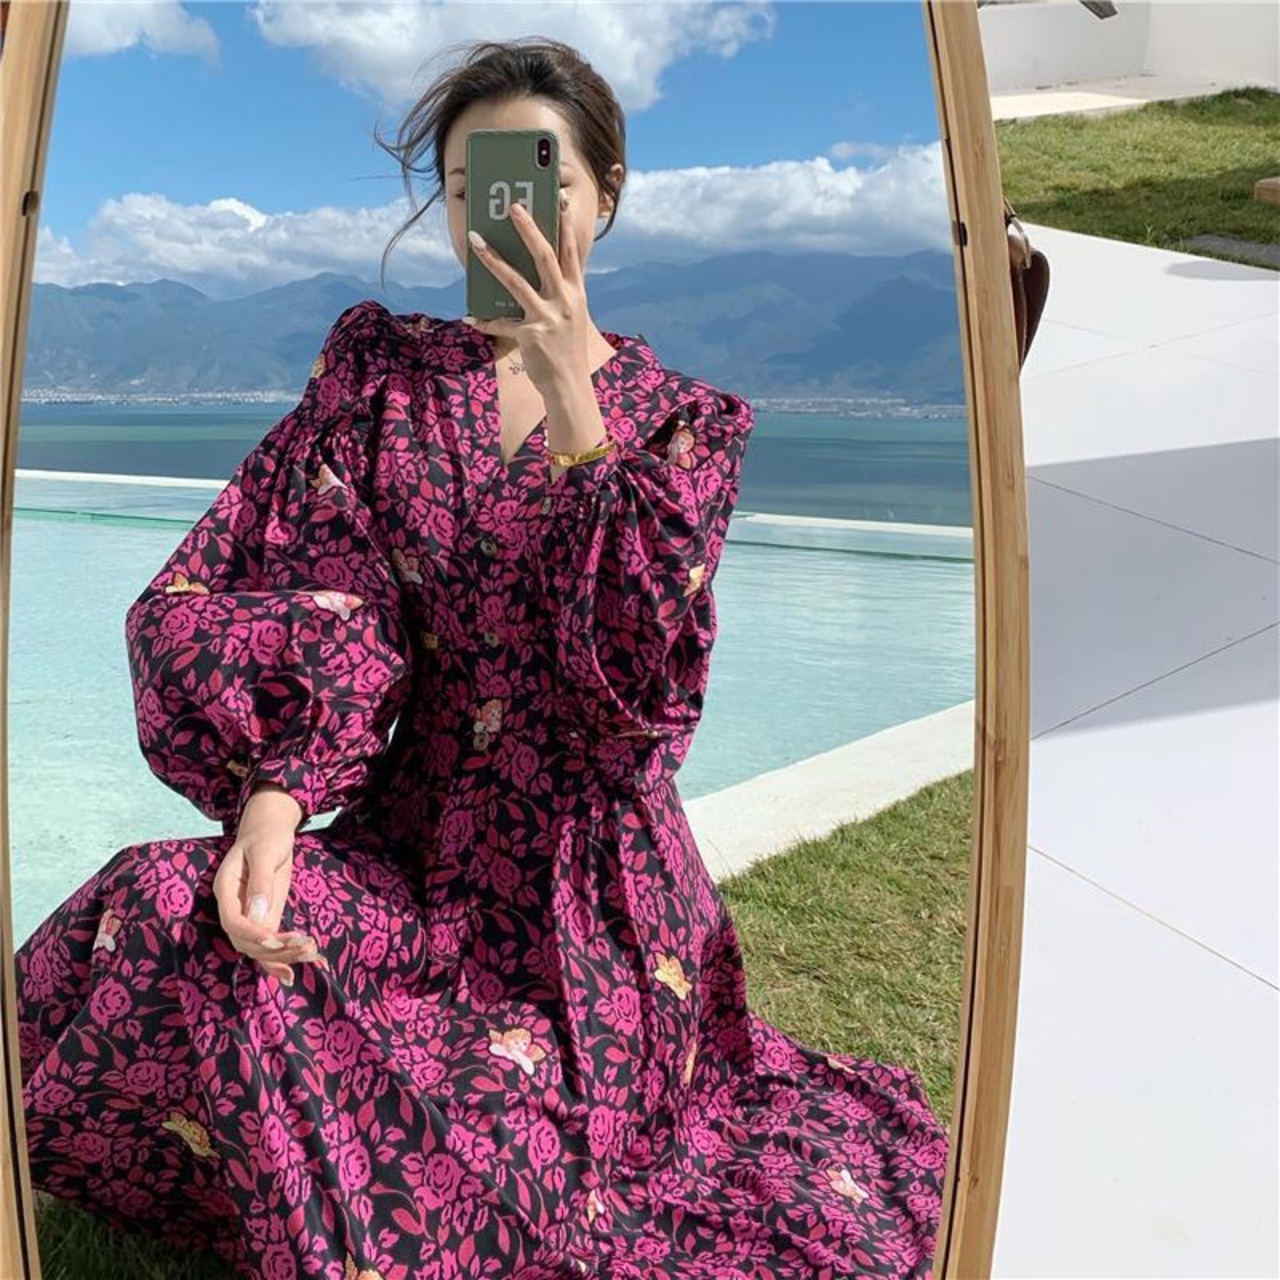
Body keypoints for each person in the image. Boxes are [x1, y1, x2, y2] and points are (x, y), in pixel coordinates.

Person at [13, 36, 949, 1280]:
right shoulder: (382, 383)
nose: (499, 213)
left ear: (604, 193)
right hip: (410, 848)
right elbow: (304, 587)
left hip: (587, 902)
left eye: (537, 178)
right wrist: (276, 804)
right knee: (167, 907)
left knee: (535, 1183)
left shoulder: (685, 426)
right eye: (469, 186)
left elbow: (636, 689)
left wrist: (573, 399)